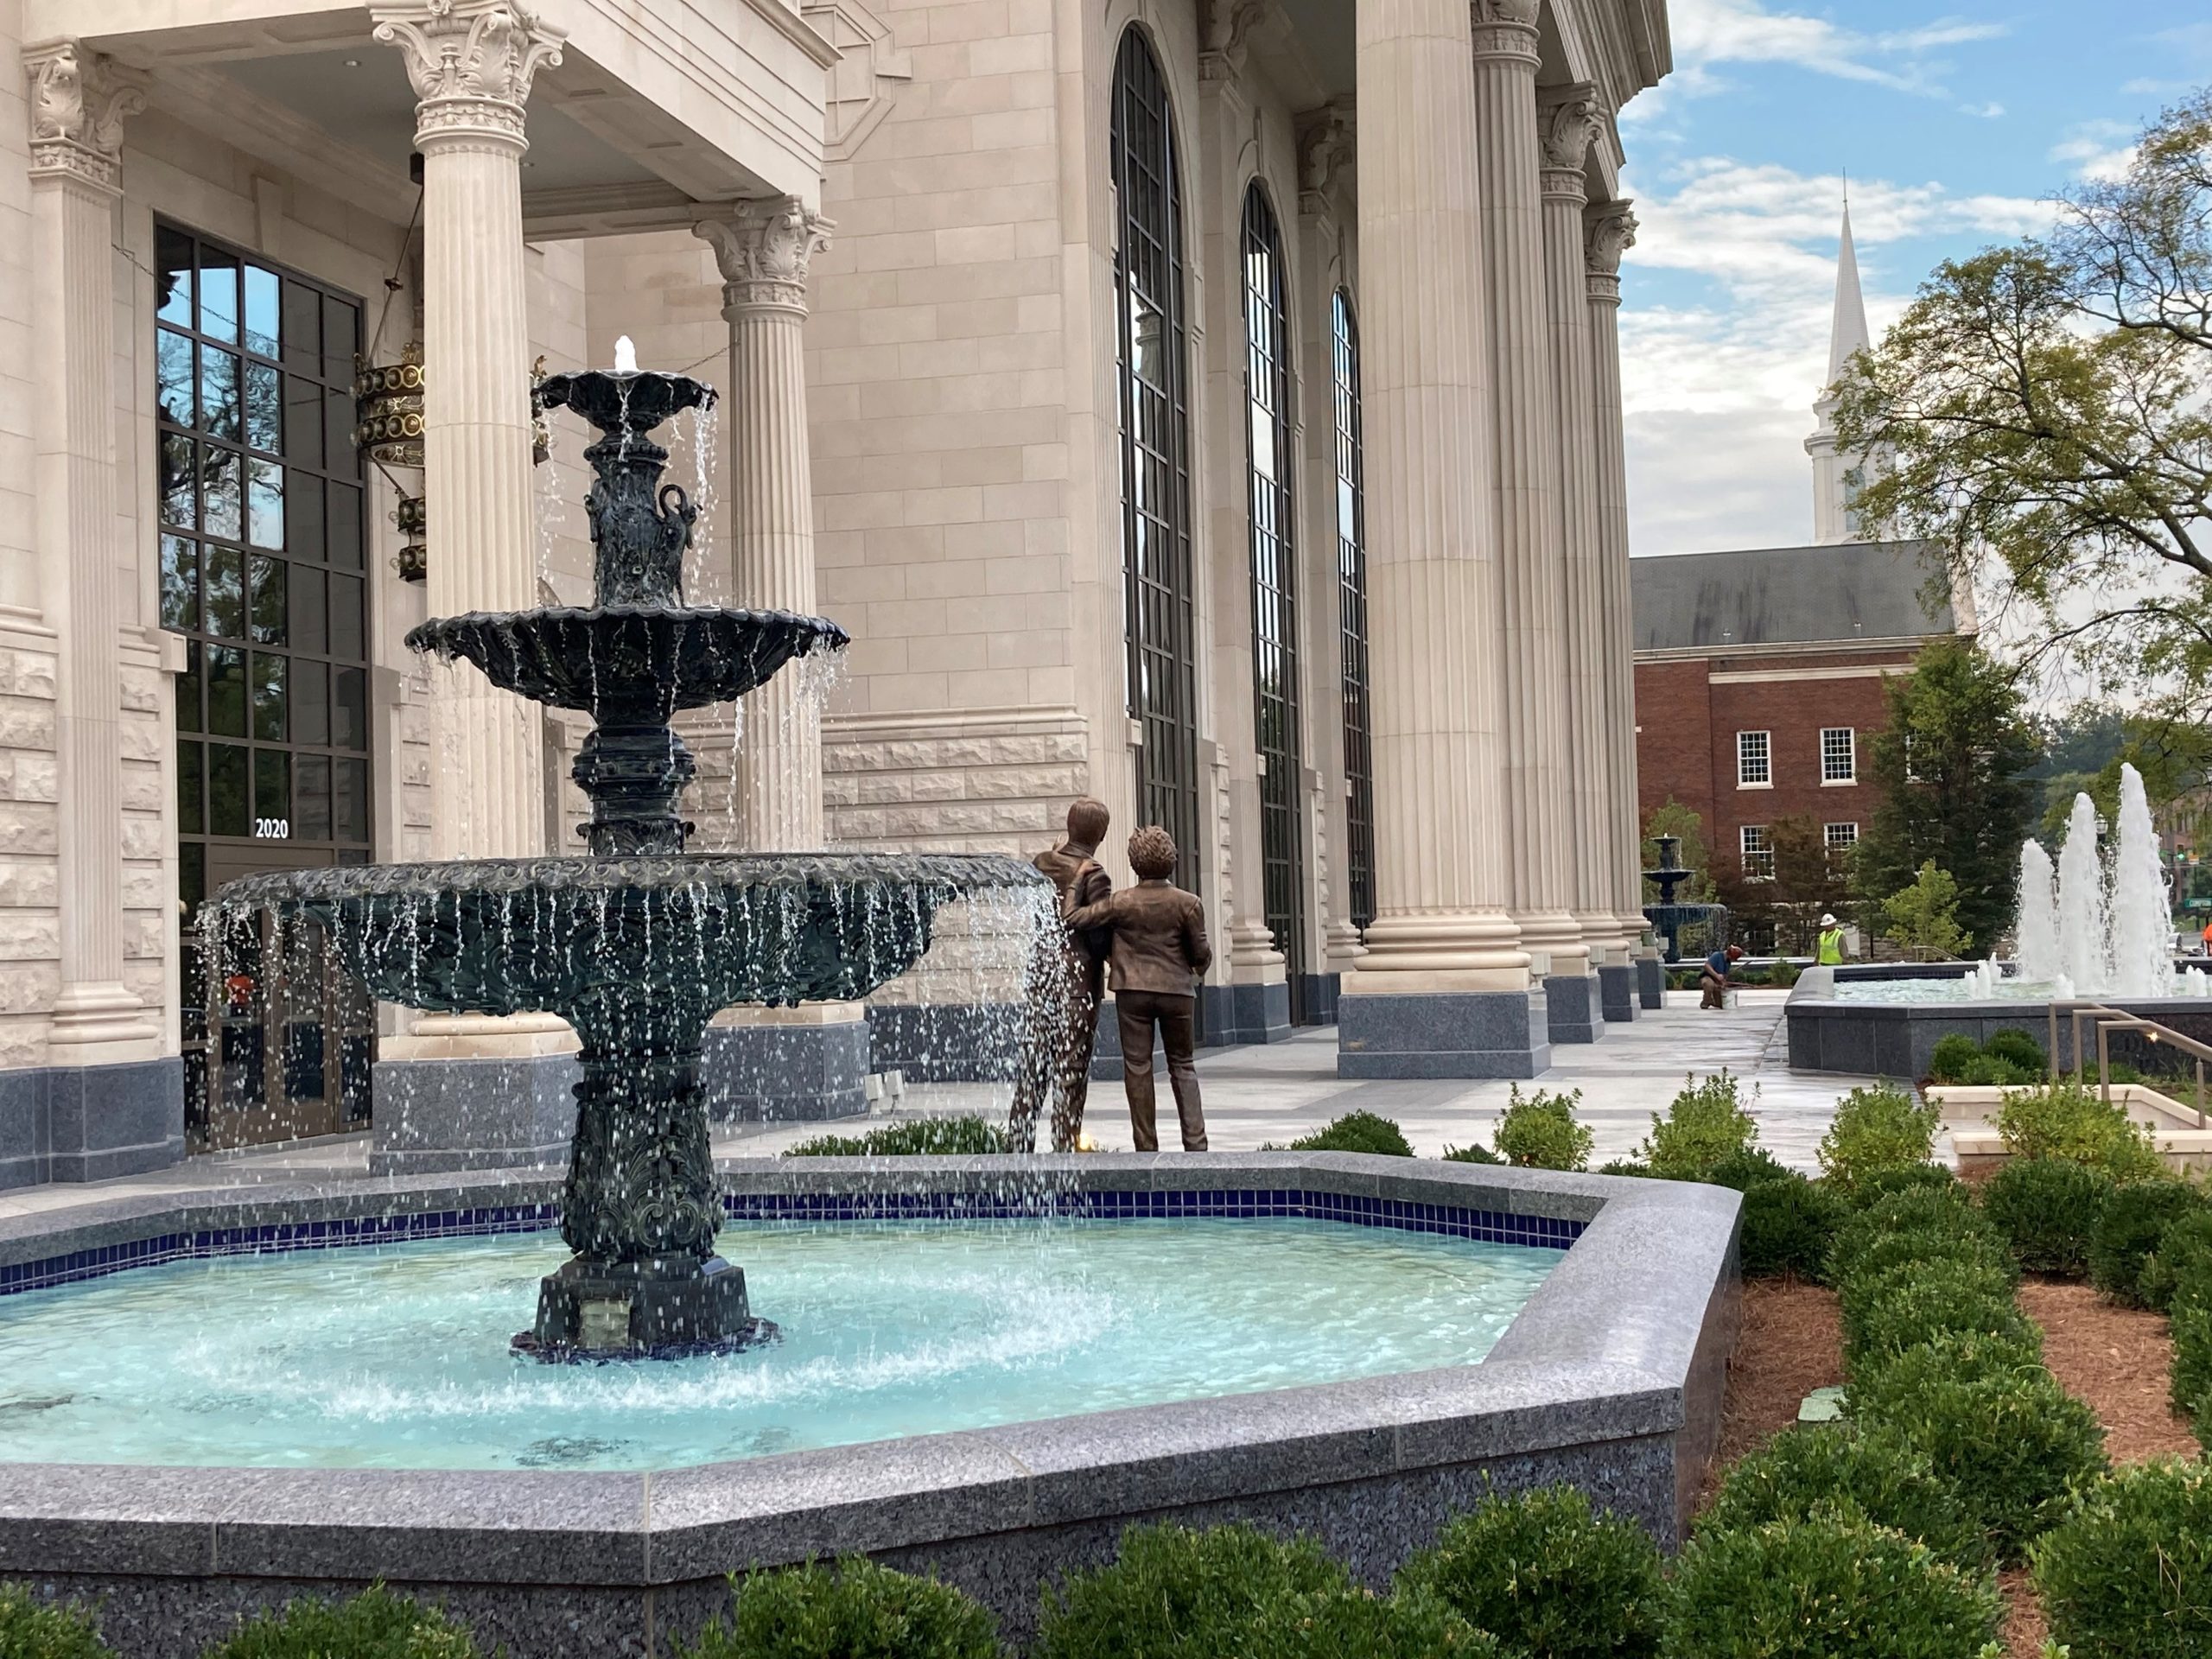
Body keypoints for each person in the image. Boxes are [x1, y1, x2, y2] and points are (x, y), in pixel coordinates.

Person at [1067, 826, 1212, 1152]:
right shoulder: (1189, 903)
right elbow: (1201, 953)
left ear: (1134, 863)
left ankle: (1146, 1147)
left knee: (1137, 1067)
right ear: (1171, 859)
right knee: (1183, 1065)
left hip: (1132, 992)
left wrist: (1078, 878)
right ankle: (1196, 1145)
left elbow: (1073, 916)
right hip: (1176, 992)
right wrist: (1196, 969)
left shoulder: (1121, 902)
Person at [1007, 797, 1115, 1152]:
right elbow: (1098, 939)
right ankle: (1064, 1152)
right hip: (1077, 985)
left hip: (1042, 978)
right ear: (1100, 834)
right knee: (1071, 1071)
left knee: (1033, 1067)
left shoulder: (1040, 863)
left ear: (1069, 827)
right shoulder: (1094, 874)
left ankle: (1017, 1150)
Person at [1700, 944, 1745, 1010]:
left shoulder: (1727, 962)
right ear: (1730, 955)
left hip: (1717, 981)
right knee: (1709, 984)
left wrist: (1723, 982)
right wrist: (1716, 975)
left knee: (1721, 1004)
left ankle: (1712, 1001)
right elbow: (1707, 966)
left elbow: (1724, 975)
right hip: (1707, 976)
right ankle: (1706, 1001)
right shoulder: (1717, 955)